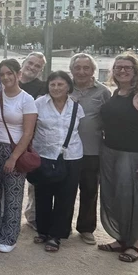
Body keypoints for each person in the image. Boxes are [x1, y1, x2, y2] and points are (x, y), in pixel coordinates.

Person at [98, 54, 138, 263]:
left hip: (131, 155)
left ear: (136, 71)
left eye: (127, 68)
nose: (122, 71)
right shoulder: (116, 94)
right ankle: (122, 238)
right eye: (118, 67)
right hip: (109, 152)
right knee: (113, 196)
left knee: (132, 198)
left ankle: (134, 244)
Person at [0, 59, 37, 253]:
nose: (6, 77)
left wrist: (14, 157)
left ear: (18, 74)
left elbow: (28, 132)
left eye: (9, 73)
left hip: (15, 150)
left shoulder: (27, 100)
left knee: (13, 196)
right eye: (2, 74)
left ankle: (9, 236)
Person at [32, 71, 84, 253]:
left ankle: (57, 235)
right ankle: (43, 230)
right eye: (52, 84)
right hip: (44, 155)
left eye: (60, 85)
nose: (56, 88)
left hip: (71, 156)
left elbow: (80, 130)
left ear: (68, 86)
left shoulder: (76, 107)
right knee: (43, 195)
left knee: (66, 197)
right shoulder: (38, 104)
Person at [70, 53, 111, 245]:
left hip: (91, 150)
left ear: (93, 71)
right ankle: (61, 225)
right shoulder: (64, 87)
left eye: (86, 68)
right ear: (71, 70)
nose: (81, 72)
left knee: (89, 190)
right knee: (65, 190)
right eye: (77, 68)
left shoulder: (103, 92)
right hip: (67, 150)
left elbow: (109, 122)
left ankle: (86, 228)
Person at [20, 51, 47, 230]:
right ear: (24, 62)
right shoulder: (10, 80)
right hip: (8, 136)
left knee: (34, 179)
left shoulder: (43, 87)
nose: (32, 67)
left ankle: (33, 216)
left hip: (33, 138)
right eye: (30, 63)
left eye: (38, 66)